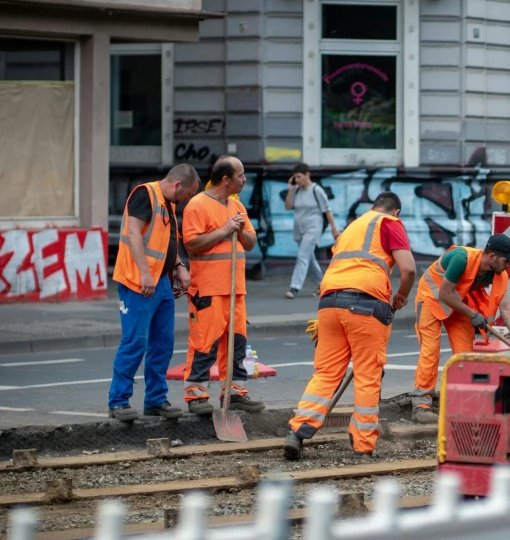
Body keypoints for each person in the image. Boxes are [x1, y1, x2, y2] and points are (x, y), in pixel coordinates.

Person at [284, 192, 416, 459]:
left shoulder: (351, 228)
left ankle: (296, 433)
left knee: (326, 373)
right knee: (367, 375)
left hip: (330, 302)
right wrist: (402, 294)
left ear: (373, 206)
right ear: (396, 211)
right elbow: (409, 269)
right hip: (366, 304)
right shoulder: (390, 223)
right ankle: (362, 445)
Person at [107, 164, 201, 422]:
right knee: (134, 341)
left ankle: (156, 400)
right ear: (177, 185)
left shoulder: (167, 203)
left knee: (162, 343)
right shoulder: (145, 194)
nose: (187, 200)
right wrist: (145, 273)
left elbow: (168, 242)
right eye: (188, 194)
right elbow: (133, 233)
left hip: (161, 282)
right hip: (138, 282)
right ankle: (118, 401)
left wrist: (179, 266)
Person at [180, 156, 266, 416]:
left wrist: (238, 230)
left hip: (235, 290)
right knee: (204, 343)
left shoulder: (236, 206)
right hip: (208, 289)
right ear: (226, 179)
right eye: (241, 175)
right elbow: (191, 244)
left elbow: (250, 242)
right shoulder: (198, 205)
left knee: (236, 344)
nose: (245, 179)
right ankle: (196, 395)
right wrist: (225, 229)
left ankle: (235, 392)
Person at [410, 234, 510, 423]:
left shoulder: (500, 274)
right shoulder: (461, 258)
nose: (508, 265)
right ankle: (421, 406)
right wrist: (472, 314)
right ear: (492, 257)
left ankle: (461, 402)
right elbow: (444, 294)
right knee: (430, 350)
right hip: (430, 297)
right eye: (506, 261)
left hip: (458, 301)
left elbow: (505, 308)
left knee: (464, 354)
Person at [284, 163, 340, 299]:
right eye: (295, 177)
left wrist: (334, 229)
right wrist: (290, 190)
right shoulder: (296, 190)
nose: (297, 180)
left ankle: (294, 287)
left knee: (302, 256)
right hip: (299, 229)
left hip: (313, 228)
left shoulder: (316, 190)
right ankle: (322, 284)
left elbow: (327, 210)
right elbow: (288, 206)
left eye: (299, 177)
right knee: (309, 257)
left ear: (307, 175)